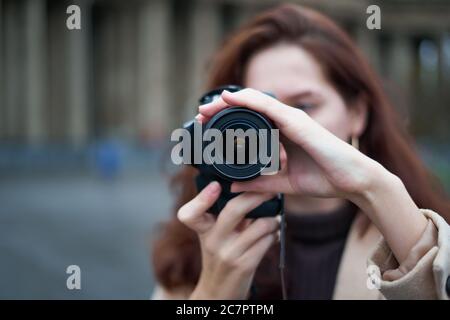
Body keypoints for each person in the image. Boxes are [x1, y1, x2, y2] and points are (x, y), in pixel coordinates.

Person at [152, 4, 450, 299]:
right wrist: (213, 293)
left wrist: (378, 190)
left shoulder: (415, 229)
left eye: (304, 106)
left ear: (357, 113)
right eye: (260, 110)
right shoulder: (197, 247)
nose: (286, 125)